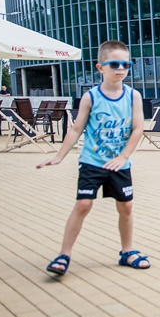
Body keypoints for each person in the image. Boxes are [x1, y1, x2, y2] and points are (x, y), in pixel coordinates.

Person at [37, 40, 148, 276]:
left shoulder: (133, 96)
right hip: (92, 162)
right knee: (83, 205)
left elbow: (138, 128)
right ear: (100, 67)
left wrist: (123, 156)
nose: (121, 69)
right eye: (115, 64)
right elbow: (76, 129)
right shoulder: (91, 97)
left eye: (126, 64)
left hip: (120, 163)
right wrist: (59, 156)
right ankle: (64, 254)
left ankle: (127, 251)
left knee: (126, 207)